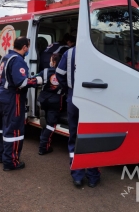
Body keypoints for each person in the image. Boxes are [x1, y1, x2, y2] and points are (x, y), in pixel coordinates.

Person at [56, 46, 101, 188]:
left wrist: (68, 89)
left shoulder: (69, 53)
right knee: (92, 138)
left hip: (74, 97)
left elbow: (59, 73)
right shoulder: (98, 49)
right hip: (95, 98)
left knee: (74, 137)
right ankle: (93, 176)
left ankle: (77, 176)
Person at [0, 36, 40, 171]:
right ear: (24, 47)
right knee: (14, 131)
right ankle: (11, 162)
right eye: (28, 47)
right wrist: (37, 80)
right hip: (12, 98)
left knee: (1, 128)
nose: (28, 50)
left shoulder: (6, 57)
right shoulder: (18, 60)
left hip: (1, 96)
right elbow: (21, 82)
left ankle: (2, 156)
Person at [32, 53, 62, 155]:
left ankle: (43, 144)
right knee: (51, 124)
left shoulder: (44, 72)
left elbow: (34, 79)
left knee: (44, 122)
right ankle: (43, 147)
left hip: (44, 100)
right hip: (55, 101)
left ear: (53, 62)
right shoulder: (64, 74)